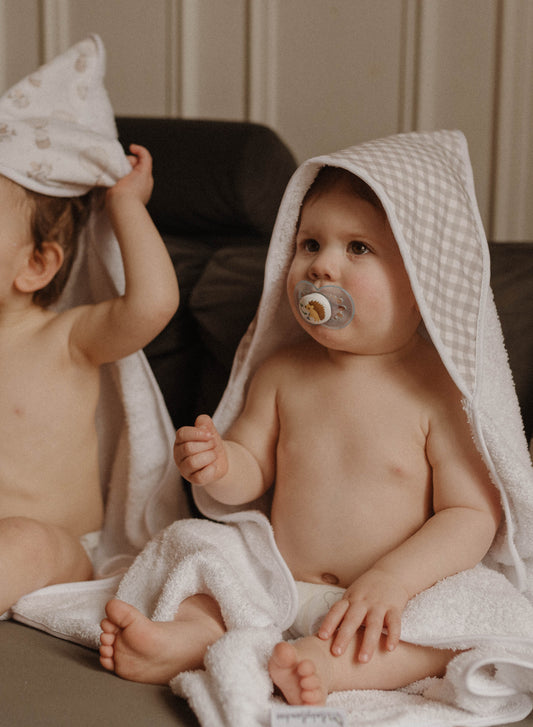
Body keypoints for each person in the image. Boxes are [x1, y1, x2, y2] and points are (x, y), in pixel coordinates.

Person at [99, 165, 501, 705]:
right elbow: (253, 472)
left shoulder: (440, 392)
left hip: (380, 601)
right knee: (203, 550)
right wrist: (220, 464)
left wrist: (394, 580)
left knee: (465, 623)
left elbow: (471, 516)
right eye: (310, 243)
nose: (322, 266)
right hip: (277, 582)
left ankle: (332, 668)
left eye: (358, 248)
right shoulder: (283, 372)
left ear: (421, 282)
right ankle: (188, 635)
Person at [0, 144, 179, 616]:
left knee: (24, 543)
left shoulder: (67, 338)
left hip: (54, 548)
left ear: (36, 265)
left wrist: (126, 205)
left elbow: (153, 303)